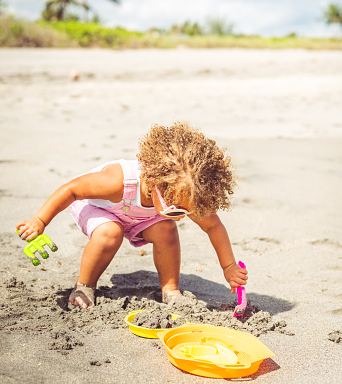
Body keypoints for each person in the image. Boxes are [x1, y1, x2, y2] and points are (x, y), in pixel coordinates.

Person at [16, 122, 248, 309]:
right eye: (175, 209)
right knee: (110, 232)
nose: (180, 216)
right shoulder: (116, 182)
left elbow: (213, 226)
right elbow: (72, 190)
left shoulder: (183, 193)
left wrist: (228, 266)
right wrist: (40, 220)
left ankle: (170, 290)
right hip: (99, 208)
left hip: (141, 217)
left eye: (187, 211)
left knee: (166, 229)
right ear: (153, 181)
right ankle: (84, 285)